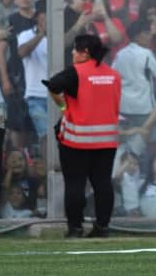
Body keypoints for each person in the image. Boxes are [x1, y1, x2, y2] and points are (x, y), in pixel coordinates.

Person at [43, 34, 121, 238]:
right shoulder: (113, 75)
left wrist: (62, 106)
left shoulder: (76, 72)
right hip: (107, 140)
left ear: (85, 52)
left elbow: (53, 85)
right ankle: (103, 227)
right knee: (103, 183)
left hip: (77, 140)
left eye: (75, 49)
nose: (72, 52)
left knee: (75, 184)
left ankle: (75, 228)